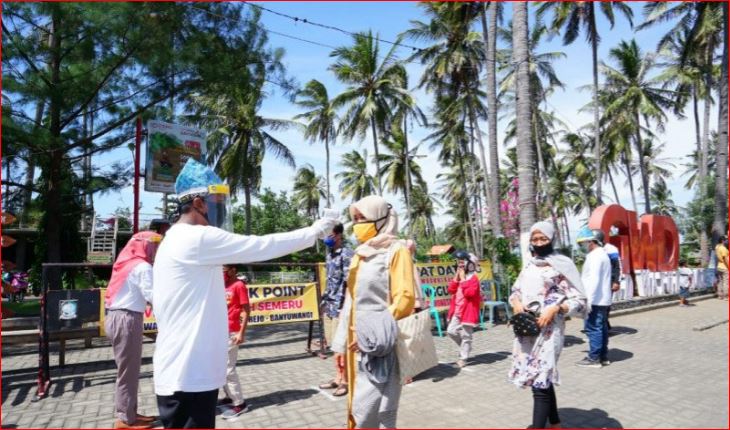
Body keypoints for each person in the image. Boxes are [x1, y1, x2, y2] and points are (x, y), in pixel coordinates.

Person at [152, 159, 336, 429]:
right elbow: (260, 246)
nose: (220, 210)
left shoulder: (176, 239)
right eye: (216, 202)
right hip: (188, 375)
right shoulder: (195, 238)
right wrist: (314, 232)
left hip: (185, 372)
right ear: (200, 204)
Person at [331, 195, 416, 429]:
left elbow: (405, 298)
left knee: (373, 408)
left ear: (381, 219)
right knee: (356, 404)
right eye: (355, 219)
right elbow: (352, 298)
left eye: (363, 218)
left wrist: (370, 334)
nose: (358, 224)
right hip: (354, 340)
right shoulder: (361, 252)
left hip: (380, 343)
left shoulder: (396, 250)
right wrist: (341, 339)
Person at [508, 221, 588, 429]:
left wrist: (555, 308)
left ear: (552, 239)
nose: (539, 242)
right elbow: (516, 291)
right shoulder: (530, 264)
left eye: (543, 238)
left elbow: (580, 301)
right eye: (535, 239)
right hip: (527, 330)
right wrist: (516, 303)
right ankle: (555, 423)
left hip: (550, 331)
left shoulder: (563, 264)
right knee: (541, 377)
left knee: (540, 381)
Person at [105, 231, 162, 429]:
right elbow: (154, 296)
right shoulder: (142, 266)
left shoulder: (127, 262)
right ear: (144, 246)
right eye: (153, 245)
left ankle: (130, 412)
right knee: (128, 371)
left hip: (118, 317)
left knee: (128, 369)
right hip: (127, 319)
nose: (155, 249)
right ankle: (125, 419)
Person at [319, 223, 354, 397]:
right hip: (330, 305)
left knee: (342, 346)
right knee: (334, 345)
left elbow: (350, 283)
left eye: (330, 234)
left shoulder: (346, 254)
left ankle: (346, 380)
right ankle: (338, 377)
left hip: (341, 306)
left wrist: (345, 308)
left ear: (339, 235)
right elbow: (330, 281)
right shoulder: (330, 255)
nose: (327, 238)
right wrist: (324, 303)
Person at [575, 227, 612, 368]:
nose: (581, 247)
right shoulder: (601, 255)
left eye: (582, 244)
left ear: (591, 241)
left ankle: (594, 358)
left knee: (593, 328)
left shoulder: (596, 256)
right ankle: (603, 356)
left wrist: (588, 301)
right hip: (601, 298)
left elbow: (594, 280)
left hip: (595, 299)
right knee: (600, 328)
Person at [218, 265, 251, 419]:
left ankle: (239, 403)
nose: (222, 273)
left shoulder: (239, 285)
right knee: (220, 367)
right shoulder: (221, 285)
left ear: (233, 269)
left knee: (228, 369)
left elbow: (246, 310)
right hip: (219, 331)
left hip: (232, 332)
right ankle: (229, 396)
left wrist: (241, 332)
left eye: (224, 270)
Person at [446, 250, 481, 368]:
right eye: (459, 263)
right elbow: (451, 290)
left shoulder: (473, 278)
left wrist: (464, 280)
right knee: (451, 331)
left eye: (462, 263)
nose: (460, 265)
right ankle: (465, 347)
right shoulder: (460, 277)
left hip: (468, 312)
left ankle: (463, 358)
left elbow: (470, 293)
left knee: (466, 336)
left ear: (469, 264)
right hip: (457, 310)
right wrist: (457, 277)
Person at [603, 241, 621, 331]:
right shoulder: (593, 250)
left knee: (606, 304)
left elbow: (617, 266)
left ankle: (605, 324)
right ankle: (604, 324)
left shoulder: (611, 249)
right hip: (598, 282)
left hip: (609, 281)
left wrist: (616, 281)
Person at [714, 236, 728, 300]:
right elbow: (725, 259)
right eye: (725, 240)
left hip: (719, 266)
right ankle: (725, 296)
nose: (726, 241)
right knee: (725, 282)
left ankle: (720, 295)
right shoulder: (723, 248)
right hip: (725, 266)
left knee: (720, 281)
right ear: (723, 241)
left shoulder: (717, 247)